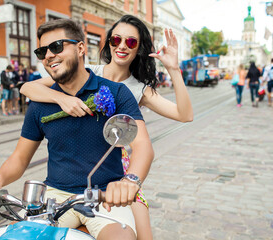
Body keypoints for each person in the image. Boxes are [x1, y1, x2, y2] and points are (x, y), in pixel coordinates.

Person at [0, 18, 154, 240]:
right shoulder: (39, 105)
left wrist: (129, 181)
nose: (48, 55)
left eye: (56, 46)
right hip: (55, 196)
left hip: (105, 194)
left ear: (80, 48)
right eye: (42, 52)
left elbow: (142, 145)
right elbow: (20, 158)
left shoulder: (116, 93)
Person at [20, 15, 193, 240]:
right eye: (116, 39)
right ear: (108, 42)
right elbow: (28, 88)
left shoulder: (139, 90)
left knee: (142, 234)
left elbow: (185, 115)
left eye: (131, 42)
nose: (121, 46)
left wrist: (173, 69)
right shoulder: (88, 70)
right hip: (76, 172)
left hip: (120, 170)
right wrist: (60, 99)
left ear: (139, 48)